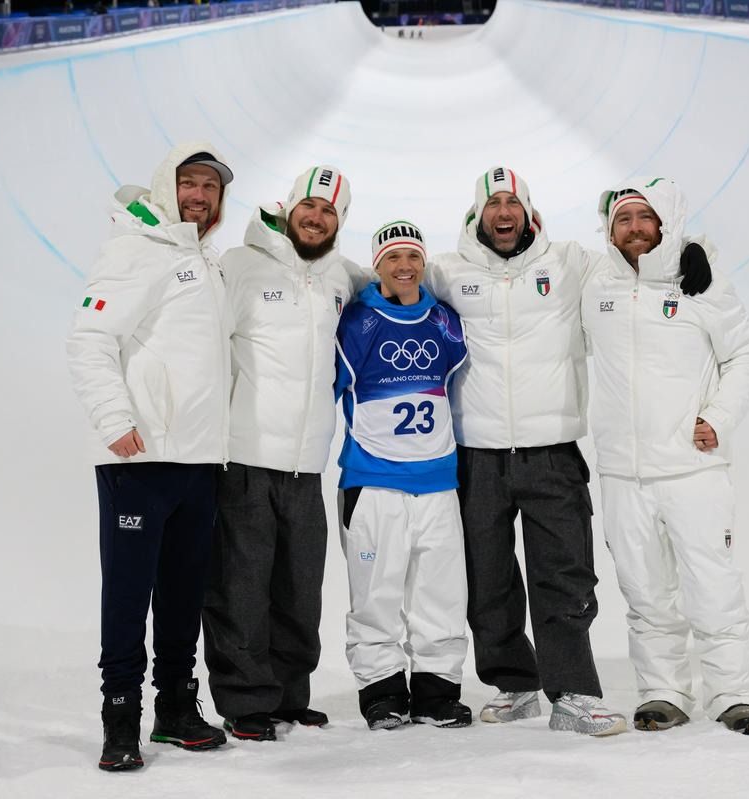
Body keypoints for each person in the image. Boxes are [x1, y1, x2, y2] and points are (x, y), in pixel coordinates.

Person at [425, 167, 712, 737]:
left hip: (552, 451)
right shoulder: (447, 272)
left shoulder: (571, 263)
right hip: (476, 454)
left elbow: (636, 252)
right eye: (493, 204)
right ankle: (514, 683)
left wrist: (691, 251)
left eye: (513, 203)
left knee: (563, 575)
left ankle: (574, 693)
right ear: (477, 215)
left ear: (529, 213)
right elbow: (391, 276)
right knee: (486, 578)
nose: (503, 213)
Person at [67, 142, 234, 771]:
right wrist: (114, 419)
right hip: (140, 461)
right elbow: (89, 338)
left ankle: (176, 707)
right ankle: (120, 719)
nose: (199, 195)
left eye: (210, 187)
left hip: (198, 459)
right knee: (128, 594)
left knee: (183, 593)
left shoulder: (204, 260)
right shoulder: (136, 249)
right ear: (167, 186)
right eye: (189, 183)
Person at [584, 177, 749, 735]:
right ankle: (663, 692)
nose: (635, 228)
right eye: (623, 219)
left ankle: (734, 694)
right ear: (609, 230)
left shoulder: (700, 282)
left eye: (646, 217)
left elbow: (744, 353)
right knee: (645, 594)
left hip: (692, 469)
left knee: (712, 586)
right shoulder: (596, 285)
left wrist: (719, 418)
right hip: (623, 473)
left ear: (665, 223)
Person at [202, 166, 365, 742]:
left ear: (339, 222)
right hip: (244, 457)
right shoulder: (239, 265)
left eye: (329, 212)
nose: (316, 219)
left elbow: (395, 278)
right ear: (288, 208)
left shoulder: (340, 276)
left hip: (306, 464)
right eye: (309, 207)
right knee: (241, 588)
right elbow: (205, 345)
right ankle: (246, 701)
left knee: (299, 589)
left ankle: (290, 695)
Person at [335, 221, 471, 731]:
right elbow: (326, 388)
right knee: (376, 594)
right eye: (393, 257)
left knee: (442, 592)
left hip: (437, 482)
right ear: (378, 265)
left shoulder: (444, 321)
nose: (405, 266)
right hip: (374, 482)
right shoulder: (357, 322)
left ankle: (437, 693)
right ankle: (382, 692)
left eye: (413, 256)